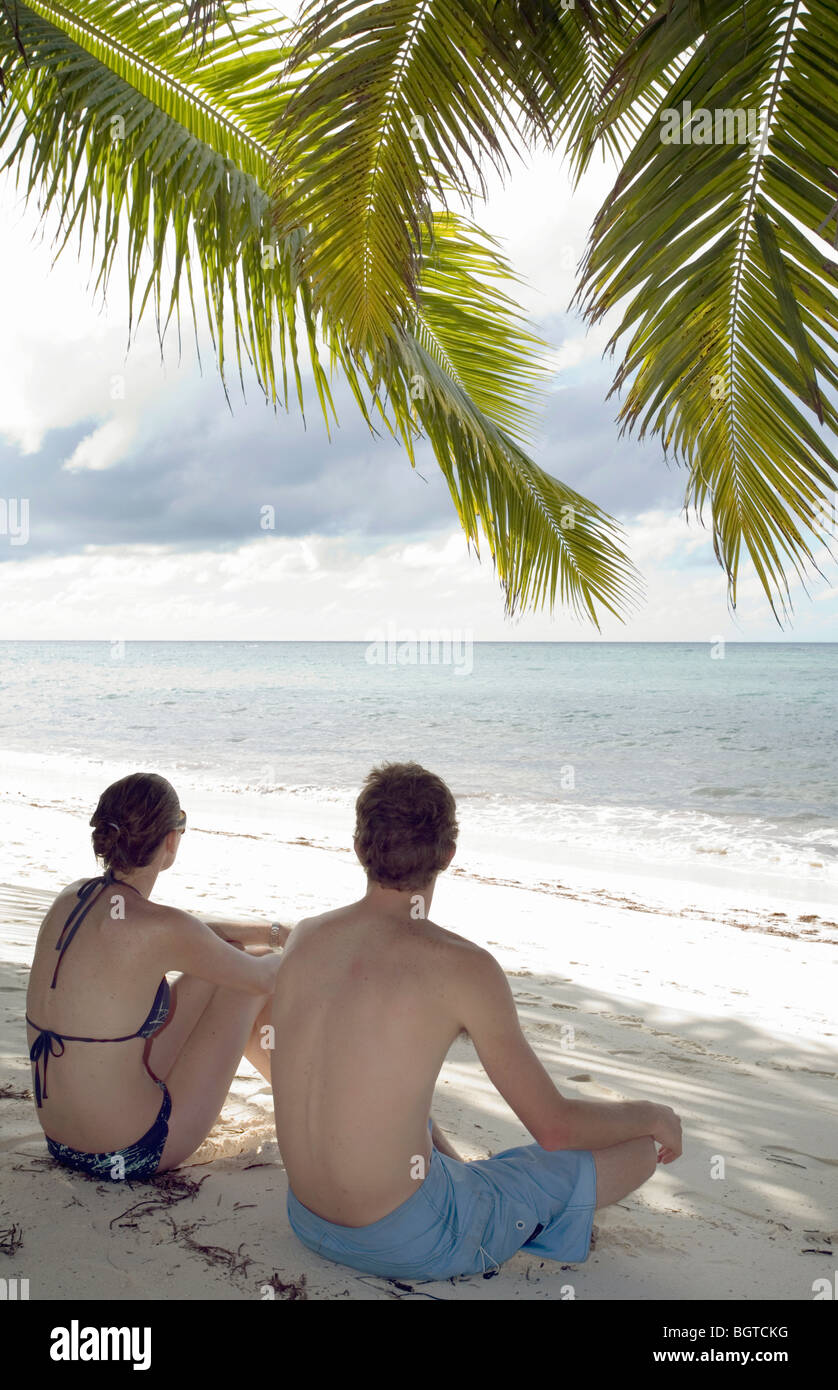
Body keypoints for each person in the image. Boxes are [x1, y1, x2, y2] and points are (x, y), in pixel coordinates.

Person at [271, 761, 683, 1280]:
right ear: (448, 853)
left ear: (359, 848)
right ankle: (514, 1220)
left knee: (382, 1091)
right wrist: (651, 1114)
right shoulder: (462, 967)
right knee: (637, 1152)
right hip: (412, 1240)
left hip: (308, 1220)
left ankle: (473, 1191)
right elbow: (554, 1128)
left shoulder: (307, 937)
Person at [25, 772, 289, 1182]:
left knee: (232, 960)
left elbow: (193, 938)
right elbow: (260, 979)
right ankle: (303, 1101)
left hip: (61, 1140)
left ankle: (298, 1094)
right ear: (170, 839)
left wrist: (273, 931)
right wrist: (303, 945)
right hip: (130, 1151)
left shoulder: (72, 898)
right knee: (248, 978)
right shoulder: (158, 928)